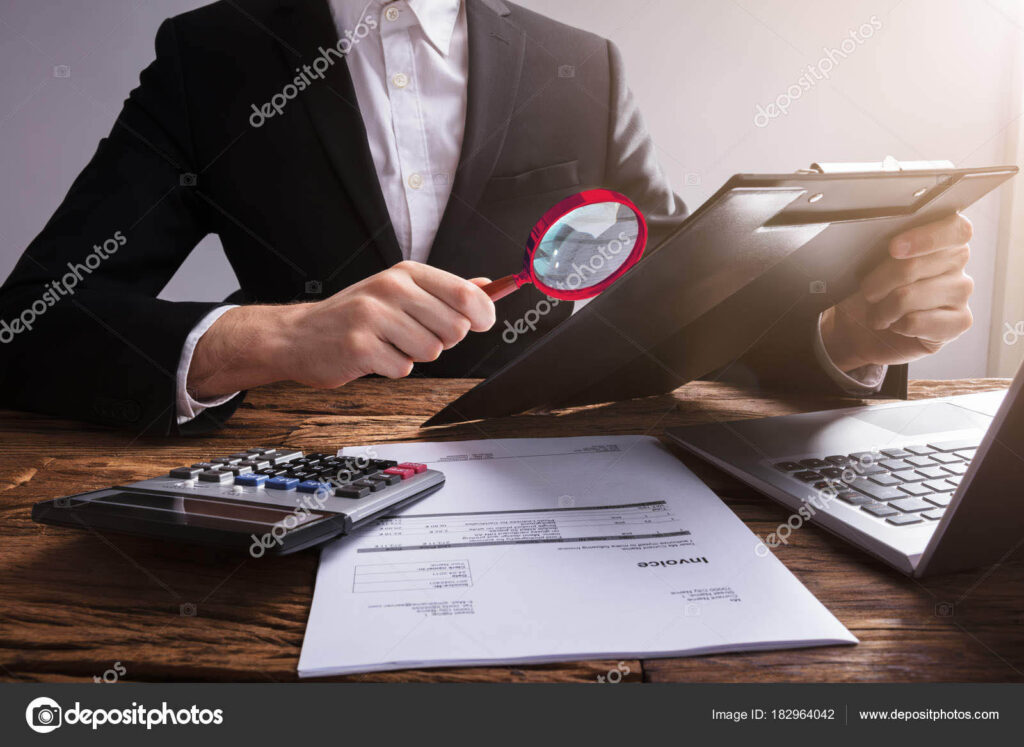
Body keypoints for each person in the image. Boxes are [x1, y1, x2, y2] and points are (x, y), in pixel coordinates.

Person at [0, 0, 974, 434]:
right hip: (287, 476)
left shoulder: (581, 64)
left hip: (539, 458)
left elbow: (681, 290)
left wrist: (843, 332)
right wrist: (278, 336)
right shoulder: (210, 55)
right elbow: (33, 326)